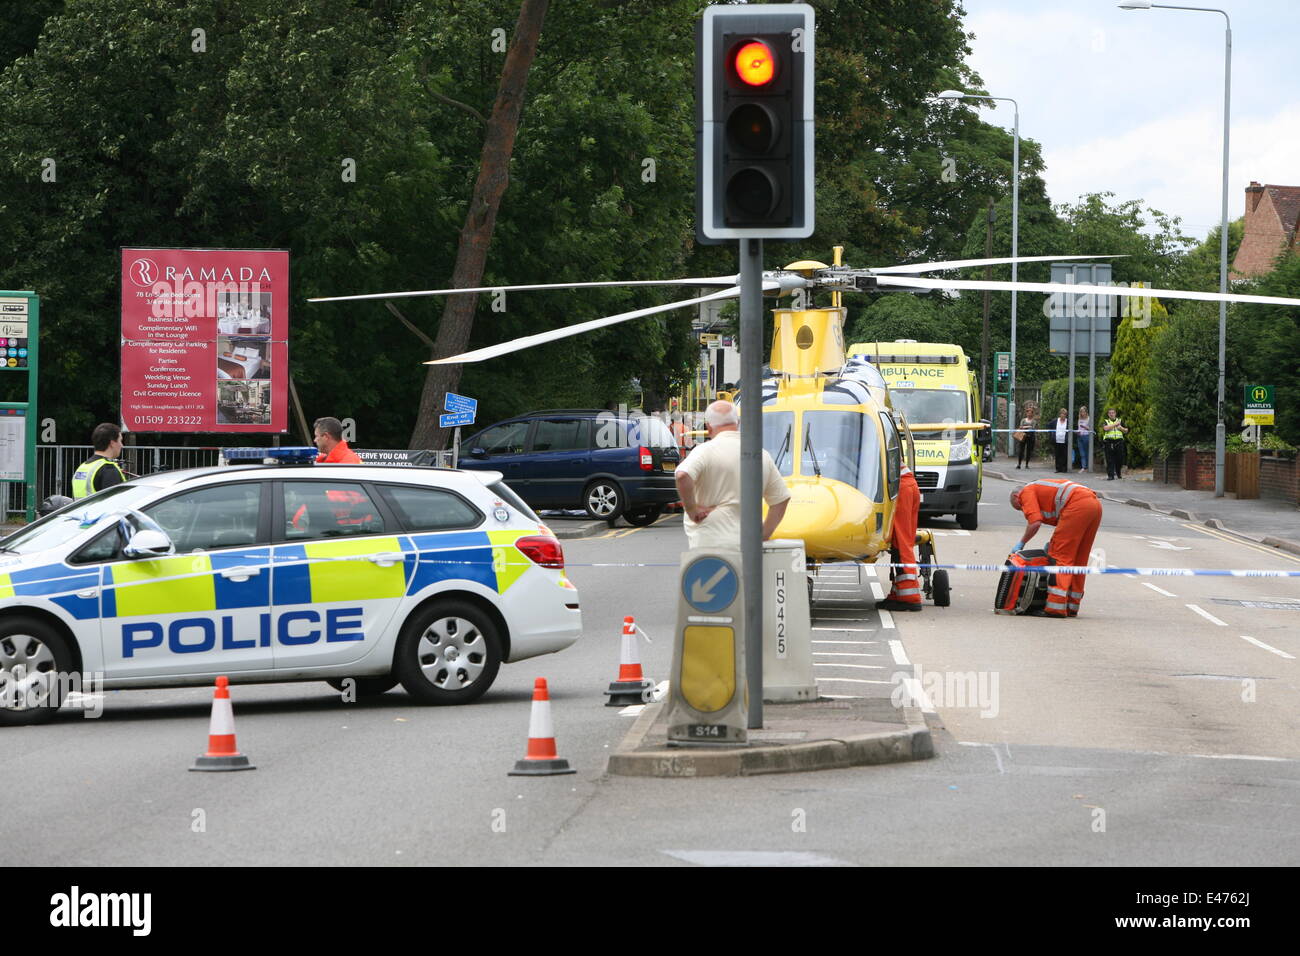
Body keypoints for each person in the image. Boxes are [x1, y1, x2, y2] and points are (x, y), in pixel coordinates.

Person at [674, 400, 790, 550]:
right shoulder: (761, 455)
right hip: (749, 547)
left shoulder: (704, 451)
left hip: (710, 544)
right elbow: (781, 499)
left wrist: (692, 510)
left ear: (708, 427)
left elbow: (682, 476)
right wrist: (764, 534)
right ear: (738, 422)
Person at [1010, 478, 1103, 618]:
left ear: (1017, 496)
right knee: (1079, 559)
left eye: (1020, 507)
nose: (1024, 510)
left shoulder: (1026, 492)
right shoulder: (1041, 488)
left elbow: (1034, 523)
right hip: (1094, 504)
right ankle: (1072, 606)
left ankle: (1056, 607)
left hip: (1077, 505)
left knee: (1059, 557)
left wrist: (1021, 543)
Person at [877, 461, 922, 612]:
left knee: (902, 543)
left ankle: (909, 596)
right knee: (901, 541)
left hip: (899, 488)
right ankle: (899, 593)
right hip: (906, 485)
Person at [71, 423, 127, 499]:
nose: (122, 445)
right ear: (112, 443)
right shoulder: (108, 469)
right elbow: (114, 503)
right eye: (120, 441)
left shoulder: (83, 467)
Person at [1102, 408, 1129, 480]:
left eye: (1113, 413)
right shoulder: (1106, 421)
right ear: (1108, 414)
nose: (1111, 414)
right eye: (1110, 413)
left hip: (1119, 442)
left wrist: (1121, 428)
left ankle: (1118, 472)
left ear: (1115, 413)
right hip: (1109, 442)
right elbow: (1105, 428)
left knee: (1119, 459)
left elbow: (1126, 430)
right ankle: (1110, 475)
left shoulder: (1120, 421)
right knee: (1109, 460)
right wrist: (1115, 424)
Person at [1015, 403, 1038, 469]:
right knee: (1021, 450)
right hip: (1023, 436)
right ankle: (1019, 464)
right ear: (1026, 413)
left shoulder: (1034, 421)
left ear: (1032, 414)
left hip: (1030, 437)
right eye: (1028, 412)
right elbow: (1020, 427)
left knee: (1028, 450)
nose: (1029, 414)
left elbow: (1032, 428)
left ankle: (1027, 464)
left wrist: (1024, 427)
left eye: (1030, 413)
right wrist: (1028, 426)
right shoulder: (1023, 420)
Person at [1074, 405, 1091, 473]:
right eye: (1081, 412)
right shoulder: (1079, 419)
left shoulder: (1089, 419)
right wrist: (1077, 432)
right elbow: (1079, 428)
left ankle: (1087, 466)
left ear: (1086, 412)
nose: (1082, 413)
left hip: (1086, 436)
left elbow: (1091, 429)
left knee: (1086, 452)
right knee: (1082, 453)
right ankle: (1083, 467)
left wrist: (1085, 427)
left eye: (1083, 412)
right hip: (1080, 437)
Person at [1052, 408, 1070, 473]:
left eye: (1064, 414)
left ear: (1066, 415)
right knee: (1057, 455)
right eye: (1062, 414)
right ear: (1060, 414)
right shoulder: (1055, 421)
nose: (1063, 415)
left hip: (1064, 440)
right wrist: (1052, 434)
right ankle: (1058, 469)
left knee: (1064, 455)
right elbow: (1049, 425)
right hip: (1057, 440)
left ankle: (1064, 468)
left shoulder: (1068, 421)